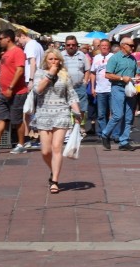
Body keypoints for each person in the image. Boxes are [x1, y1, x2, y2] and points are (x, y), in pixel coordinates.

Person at [32, 48, 83, 194]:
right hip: (43, 114)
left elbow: (71, 95)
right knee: (45, 151)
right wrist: (50, 74)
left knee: (56, 147)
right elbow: (38, 90)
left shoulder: (65, 75)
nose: (54, 61)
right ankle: (52, 170)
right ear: (46, 61)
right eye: (51, 59)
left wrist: (77, 112)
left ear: (60, 60)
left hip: (61, 112)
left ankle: (55, 180)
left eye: (56, 59)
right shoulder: (40, 73)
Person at [99, 37, 140, 152]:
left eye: (133, 46)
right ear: (123, 46)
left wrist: (137, 77)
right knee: (118, 115)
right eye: (130, 45)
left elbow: (137, 71)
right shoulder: (114, 58)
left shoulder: (133, 59)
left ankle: (124, 141)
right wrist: (122, 78)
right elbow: (107, 75)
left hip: (130, 88)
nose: (133, 47)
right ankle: (105, 134)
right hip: (118, 88)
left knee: (128, 116)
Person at [17, 30, 46, 150]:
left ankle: (30, 137)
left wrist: (30, 79)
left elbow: (32, 62)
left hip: (33, 80)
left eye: (18, 40)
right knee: (35, 109)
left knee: (28, 110)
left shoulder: (30, 46)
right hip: (39, 79)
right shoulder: (38, 45)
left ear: (22, 36)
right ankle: (36, 137)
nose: (18, 43)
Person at [61, 36, 90, 126]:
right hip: (65, 87)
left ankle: (79, 127)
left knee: (81, 108)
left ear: (76, 45)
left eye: (73, 45)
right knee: (65, 107)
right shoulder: (60, 55)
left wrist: (85, 81)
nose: (71, 46)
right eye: (68, 45)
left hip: (79, 86)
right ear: (65, 45)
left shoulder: (82, 55)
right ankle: (68, 127)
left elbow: (87, 69)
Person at [90, 39, 113, 135]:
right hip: (100, 89)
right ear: (99, 47)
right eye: (102, 45)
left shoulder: (113, 57)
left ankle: (111, 133)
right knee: (101, 114)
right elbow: (93, 73)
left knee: (112, 113)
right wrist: (92, 87)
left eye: (106, 45)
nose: (104, 47)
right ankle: (103, 134)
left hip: (111, 88)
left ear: (109, 47)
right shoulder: (96, 58)